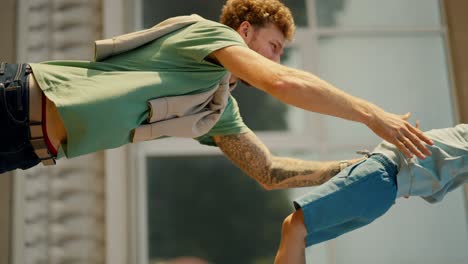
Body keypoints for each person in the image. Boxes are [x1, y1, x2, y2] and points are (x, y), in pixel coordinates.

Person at [1, 0, 431, 194]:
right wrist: (374, 115)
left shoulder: (218, 108)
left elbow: (270, 172)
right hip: (18, 99)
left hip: (29, 148)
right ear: (244, 30)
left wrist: (358, 166)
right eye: (274, 46)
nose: (277, 59)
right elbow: (279, 82)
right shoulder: (209, 34)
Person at [274, 123, 468, 264]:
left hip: (379, 176)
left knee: (294, 228)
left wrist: (412, 172)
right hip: (385, 190)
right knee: (298, 238)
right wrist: (413, 176)